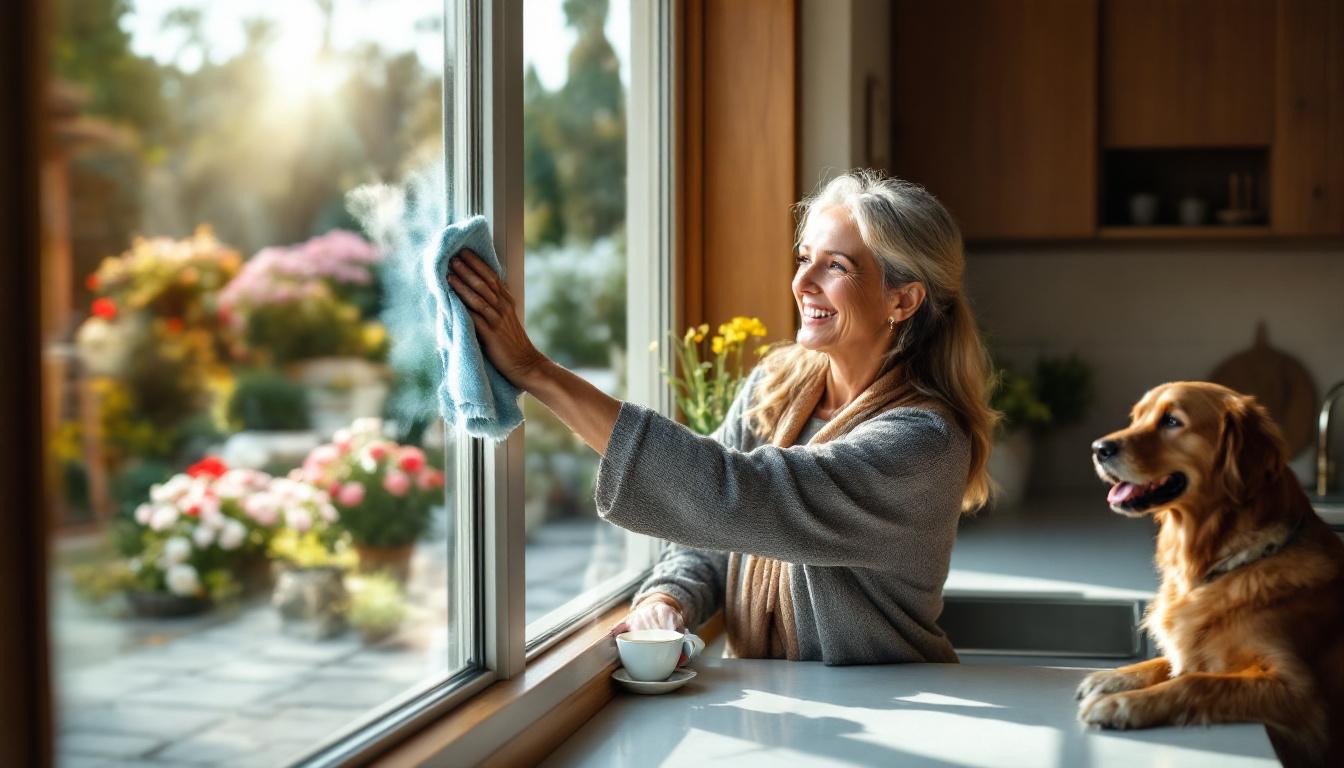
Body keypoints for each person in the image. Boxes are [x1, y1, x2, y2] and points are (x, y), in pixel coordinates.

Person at [445, 169, 996, 664]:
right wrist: (669, 596)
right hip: (780, 704)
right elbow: (710, 532)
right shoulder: (777, 387)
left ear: (903, 301)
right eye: (804, 258)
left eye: (836, 266)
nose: (803, 282)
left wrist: (535, 371)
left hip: (891, 710)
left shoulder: (924, 443)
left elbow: (737, 497)